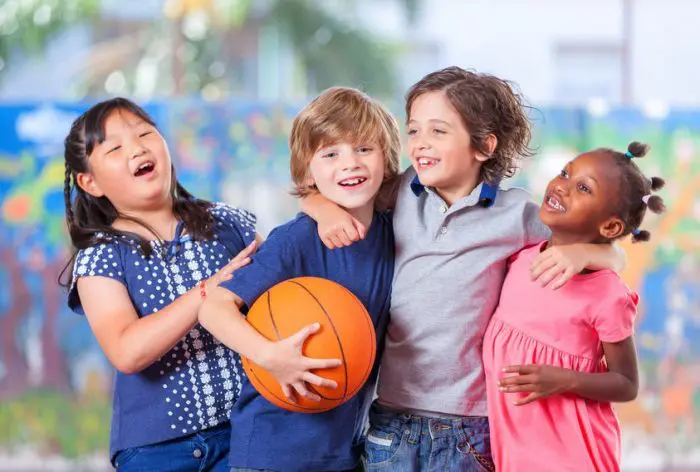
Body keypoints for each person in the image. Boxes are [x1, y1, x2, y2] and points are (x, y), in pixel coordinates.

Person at [302, 67, 626, 471]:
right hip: (393, 416)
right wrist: (320, 209)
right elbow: (329, 190)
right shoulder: (400, 190)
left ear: (484, 146)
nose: (420, 144)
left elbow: (614, 255)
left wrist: (584, 256)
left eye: (438, 131)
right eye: (415, 130)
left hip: (471, 425)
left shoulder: (517, 213)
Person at [198, 86, 401, 472]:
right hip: (271, 449)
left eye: (364, 149)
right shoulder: (297, 240)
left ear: (387, 160)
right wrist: (270, 357)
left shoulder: (394, 231)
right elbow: (214, 309)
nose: (350, 163)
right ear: (308, 170)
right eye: (330, 154)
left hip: (344, 449)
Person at [62, 97, 259, 471]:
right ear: (90, 182)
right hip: (157, 452)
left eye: (144, 134)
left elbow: (285, 280)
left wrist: (322, 210)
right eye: (115, 147)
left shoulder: (227, 222)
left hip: (247, 431)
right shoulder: (101, 256)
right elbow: (127, 349)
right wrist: (207, 293)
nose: (136, 148)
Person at [484, 142, 665, 471]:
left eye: (583, 187)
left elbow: (626, 383)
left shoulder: (607, 295)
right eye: (565, 172)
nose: (562, 185)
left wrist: (565, 379)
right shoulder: (522, 256)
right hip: (514, 453)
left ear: (610, 228)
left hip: (573, 454)